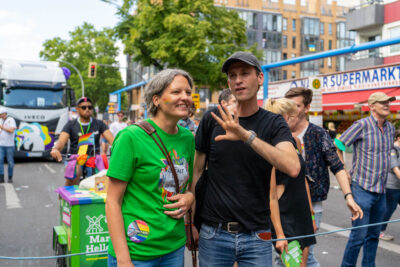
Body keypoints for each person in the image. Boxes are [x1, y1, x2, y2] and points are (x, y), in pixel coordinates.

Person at [192, 51, 301, 267]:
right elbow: (196, 175)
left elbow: (292, 167)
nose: (238, 80)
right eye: (232, 75)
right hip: (213, 234)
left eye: (244, 73)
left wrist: (245, 135)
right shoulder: (212, 119)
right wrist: (191, 224)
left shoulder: (274, 123)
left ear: (260, 78)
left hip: (257, 236)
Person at [106, 69, 196, 267]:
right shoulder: (131, 137)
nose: (185, 97)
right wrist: (123, 259)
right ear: (156, 100)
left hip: (174, 248)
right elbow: (112, 201)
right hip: (137, 251)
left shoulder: (187, 138)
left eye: (188, 93)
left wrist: (190, 197)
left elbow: (188, 188)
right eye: (176, 92)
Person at [284, 87, 363, 267]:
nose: (291, 110)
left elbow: (337, 166)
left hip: (312, 205)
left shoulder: (318, 134)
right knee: (285, 256)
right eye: (288, 105)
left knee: (303, 256)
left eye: (296, 106)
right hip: (283, 204)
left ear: (306, 108)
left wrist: (348, 196)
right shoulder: (279, 132)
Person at [339, 92, 396, 267]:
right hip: (361, 189)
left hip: (381, 191)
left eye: (388, 102)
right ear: (371, 106)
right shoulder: (361, 125)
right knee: (358, 237)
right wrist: (343, 169)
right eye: (382, 102)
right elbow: (338, 144)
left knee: (373, 237)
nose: (387, 104)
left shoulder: (391, 128)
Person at [264, 98, 316, 267]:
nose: (298, 119)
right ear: (285, 118)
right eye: (295, 116)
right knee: (291, 263)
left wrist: (311, 214)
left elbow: (303, 180)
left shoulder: (295, 142)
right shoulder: (269, 146)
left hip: (302, 212)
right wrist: (279, 232)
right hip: (285, 213)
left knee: (304, 262)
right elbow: (270, 193)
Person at [50, 97, 114, 186]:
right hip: (75, 158)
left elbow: (112, 141)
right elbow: (61, 141)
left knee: (102, 181)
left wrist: (120, 148)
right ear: (77, 109)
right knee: (73, 174)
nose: (87, 109)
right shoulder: (70, 125)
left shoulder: (99, 123)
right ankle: (68, 197)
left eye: (90, 107)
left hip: (94, 159)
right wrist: (56, 149)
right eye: (84, 107)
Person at [380, 129, 400, 241]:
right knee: (389, 208)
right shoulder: (393, 149)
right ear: (398, 138)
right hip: (392, 186)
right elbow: (394, 167)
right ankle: (380, 231)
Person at [0, 107, 16, 183]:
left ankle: (10, 177)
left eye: (1, 114)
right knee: (0, 160)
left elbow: (11, 130)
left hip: (9, 145)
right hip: (1, 145)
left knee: (10, 162)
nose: (0, 116)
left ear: (5, 113)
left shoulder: (11, 120)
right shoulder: (0, 120)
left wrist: (2, 127)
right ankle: (1, 177)